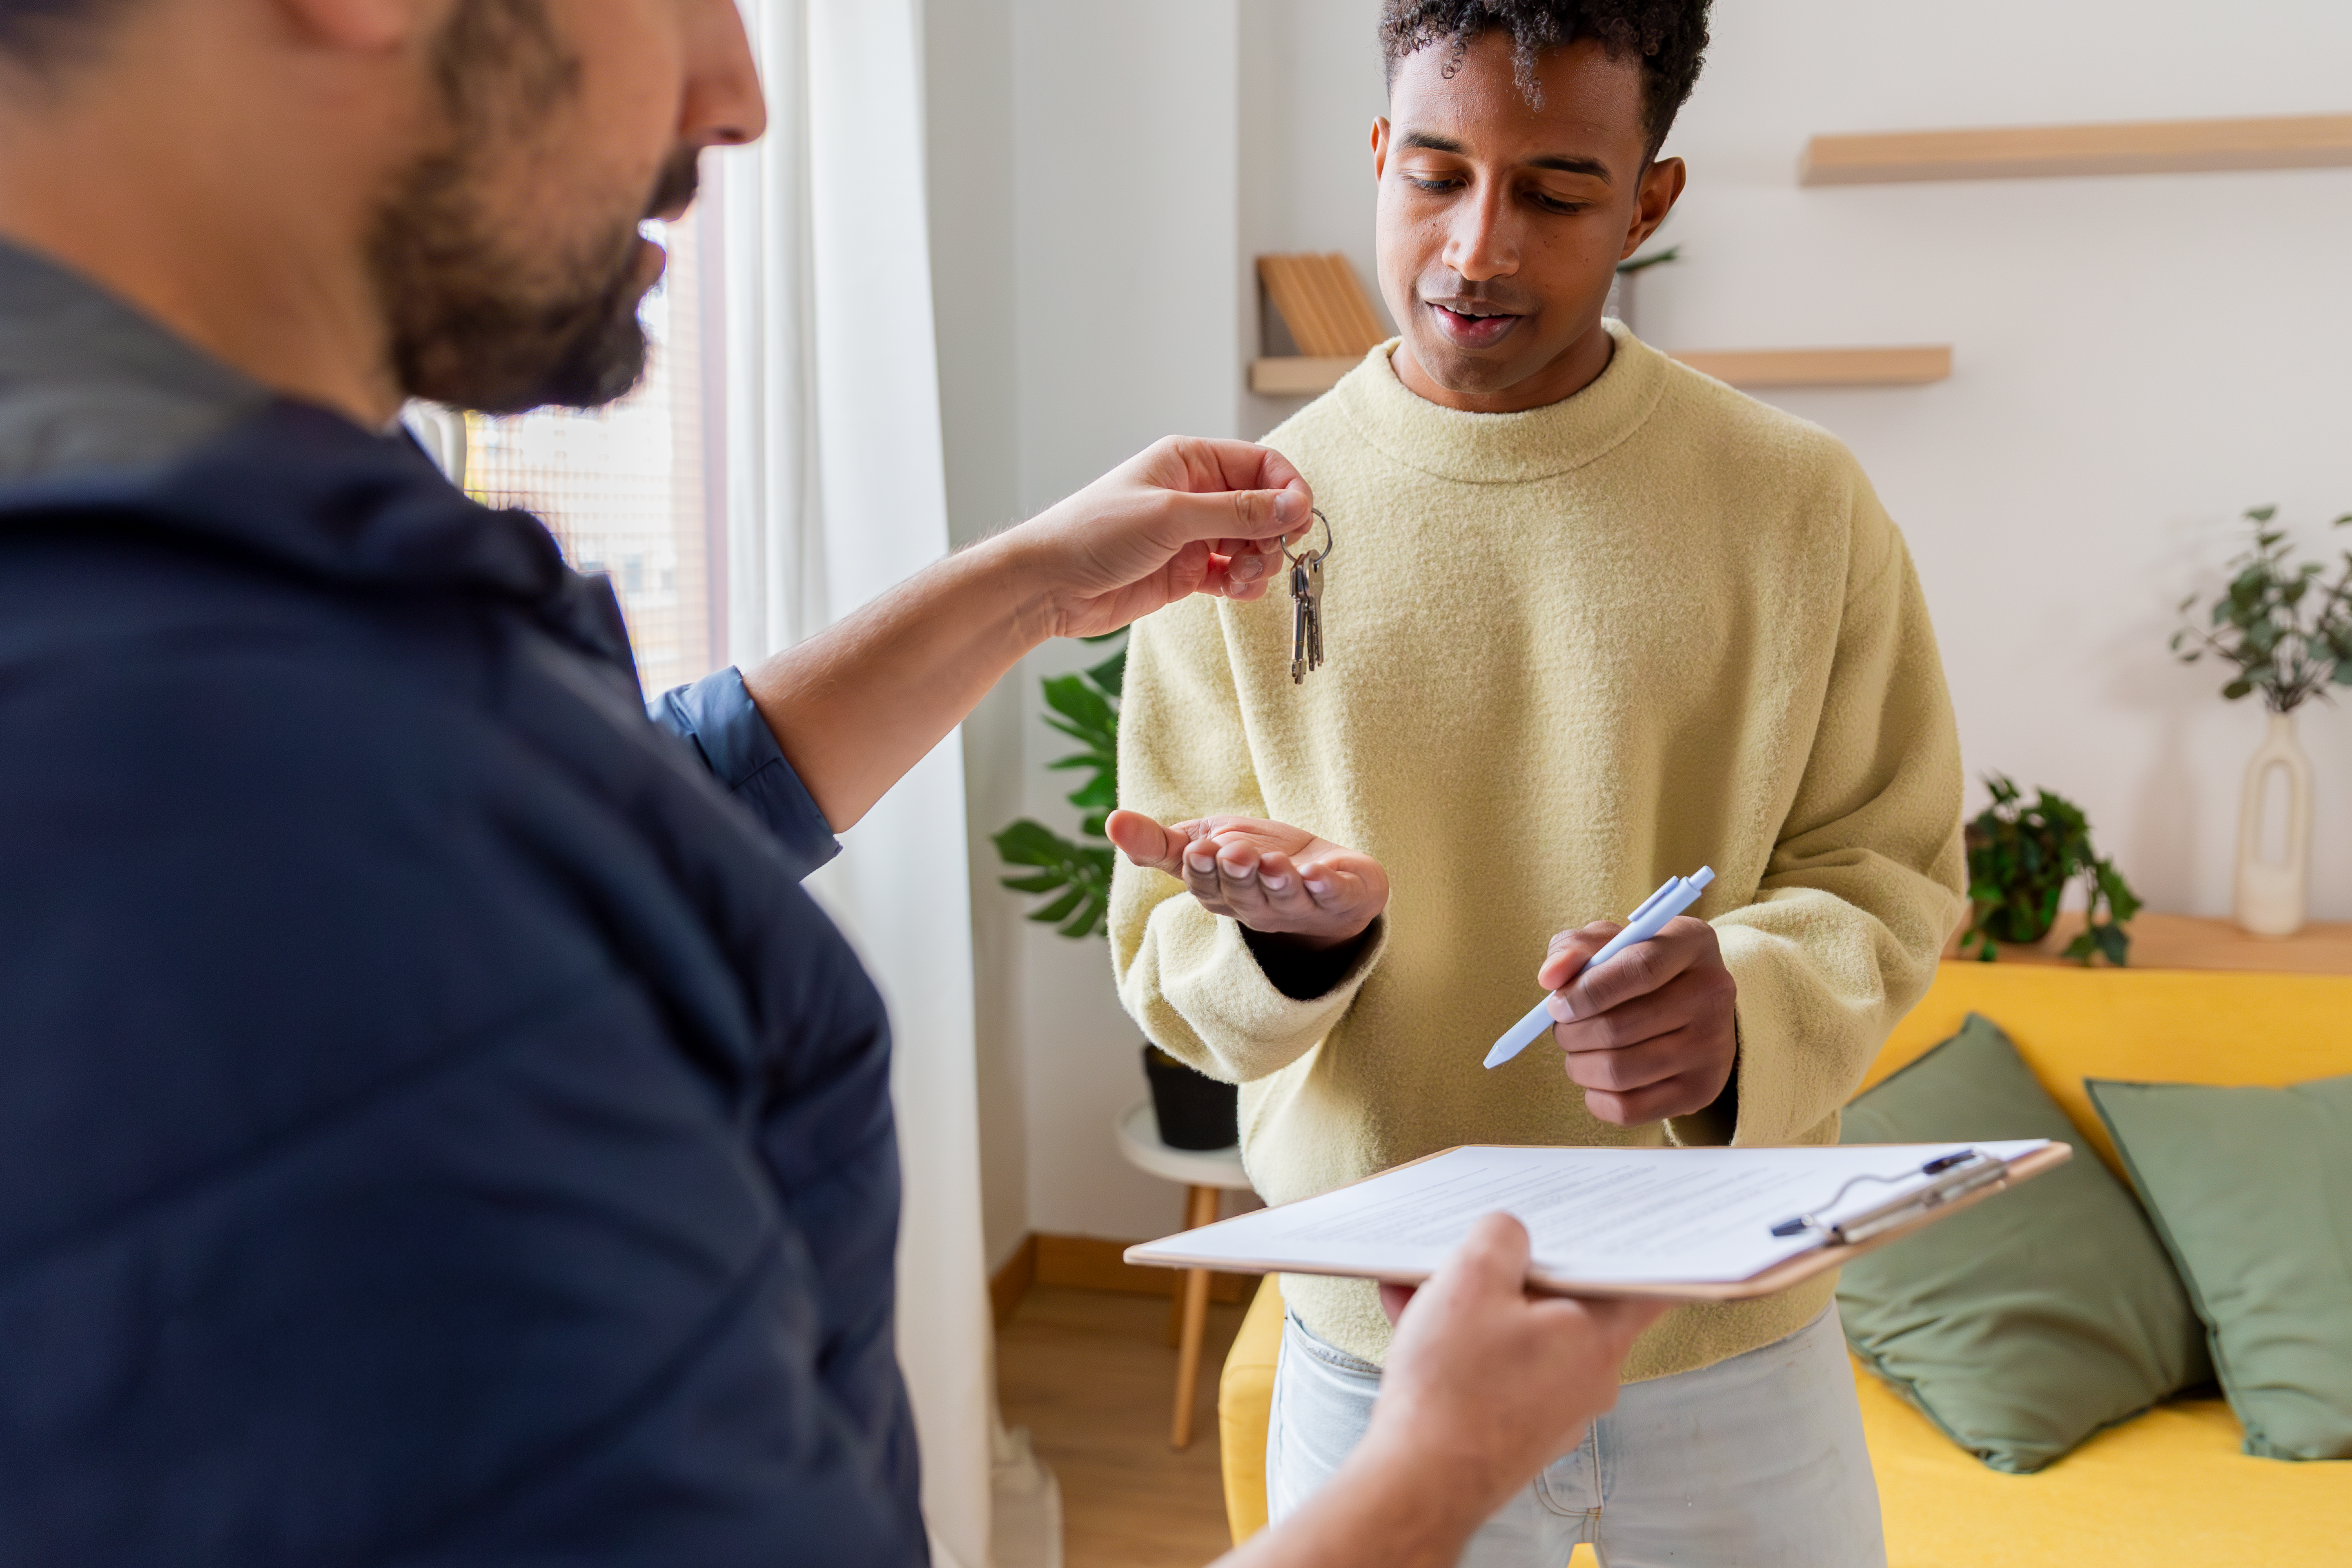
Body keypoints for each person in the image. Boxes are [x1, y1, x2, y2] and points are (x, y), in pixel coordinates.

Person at [0, 0, 1665, 1563]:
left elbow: (625, 825)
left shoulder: (246, 606)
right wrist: (1443, 1464)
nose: (739, 93)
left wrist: (1027, 584)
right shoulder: (258, 756)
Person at [1107, 3, 1966, 1564]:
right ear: (1376, 155)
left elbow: (1888, 873)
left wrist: (1741, 1018)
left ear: (1651, 200)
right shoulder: (1242, 526)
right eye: (1435, 175)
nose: (1479, 247)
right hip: (1383, 1345)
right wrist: (1287, 947)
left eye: (1558, 195)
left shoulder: (1799, 505)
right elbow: (1164, 963)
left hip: (1731, 1341)